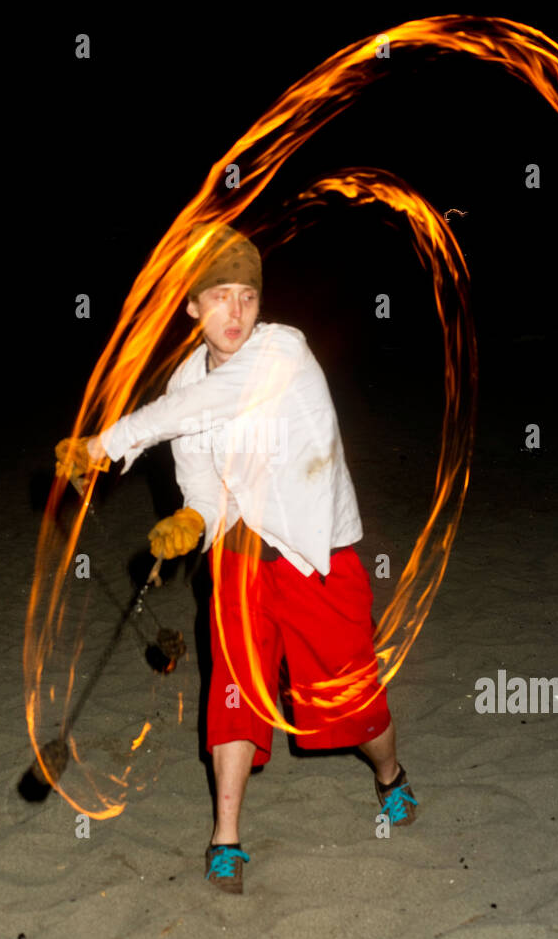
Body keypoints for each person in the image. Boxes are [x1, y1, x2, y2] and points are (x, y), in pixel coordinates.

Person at [66, 223, 417, 893]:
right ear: (191, 305)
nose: (235, 311)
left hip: (316, 555)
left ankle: (390, 774)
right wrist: (191, 522)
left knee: (349, 702)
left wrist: (103, 446)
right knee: (233, 689)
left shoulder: (283, 351)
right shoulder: (184, 377)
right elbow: (199, 476)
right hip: (238, 560)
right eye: (219, 296)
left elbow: (196, 411)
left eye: (246, 297)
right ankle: (226, 837)